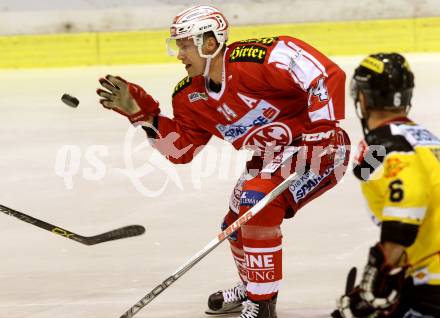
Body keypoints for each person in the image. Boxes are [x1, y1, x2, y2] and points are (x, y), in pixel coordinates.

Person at [97, 5, 350, 318]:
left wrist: (323, 130)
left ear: (210, 43)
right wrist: (144, 117)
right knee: (234, 223)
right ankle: (253, 286)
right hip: (269, 159)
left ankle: (261, 304)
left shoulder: (258, 60)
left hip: (321, 151)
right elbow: (182, 150)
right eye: (178, 45)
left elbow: (324, 74)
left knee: (256, 204)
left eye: (185, 45)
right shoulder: (190, 96)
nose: (179, 54)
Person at [333, 53, 440, 318]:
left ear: (363, 99)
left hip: (433, 284)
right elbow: (364, 170)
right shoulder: (424, 137)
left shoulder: (386, 143)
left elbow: (409, 203)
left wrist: (381, 267)